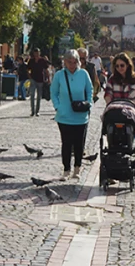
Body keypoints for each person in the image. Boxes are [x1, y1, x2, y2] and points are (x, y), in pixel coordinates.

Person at [51, 49, 92, 179]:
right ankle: (66, 169)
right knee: (66, 143)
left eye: (74, 62)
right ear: (65, 62)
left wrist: (88, 103)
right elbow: (53, 92)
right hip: (64, 116)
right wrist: (57, 107)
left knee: (79, 144)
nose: (72, 65)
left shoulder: (84, 74)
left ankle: (77, 168)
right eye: (69, 62)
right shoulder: (59, 75)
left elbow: (89, 90)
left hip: (81, 116)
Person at [27, 48, 49, 117]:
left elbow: (46, 70)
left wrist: (48, 78)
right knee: (32, 95)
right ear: (33, 53)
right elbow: (28, 69)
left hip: (40, 79)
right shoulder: (31, 60)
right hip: (33, 79)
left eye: (38, 53)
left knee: (39, 96)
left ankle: (37, 111)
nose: (36, 54)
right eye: (35, 53)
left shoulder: (42, 60)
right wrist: (29, 77)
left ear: (39, 53)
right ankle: (32, 111)